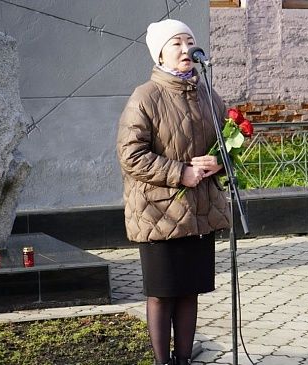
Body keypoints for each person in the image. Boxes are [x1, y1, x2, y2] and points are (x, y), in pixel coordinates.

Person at [116, 19, 230, 365]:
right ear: (161, 53)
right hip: (157, 213)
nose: (185, 49)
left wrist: (218, 163)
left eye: (189, 42)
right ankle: (162, 362)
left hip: (198, 212)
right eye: (177, 43)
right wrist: (181, 172)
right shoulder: (145, 97)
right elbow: (130, 155)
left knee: (189, 290)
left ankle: (184, 359)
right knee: (163, 293)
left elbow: (229, 146)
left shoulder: (209, 96)